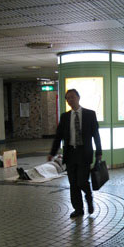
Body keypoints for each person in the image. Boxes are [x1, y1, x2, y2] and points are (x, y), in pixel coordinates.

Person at [48, 89, 102, 218]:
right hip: (70, 152)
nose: (70, 100)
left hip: (84, 152)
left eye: (72, 97)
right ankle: (78, 209)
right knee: (73, 183)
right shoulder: (65, 117)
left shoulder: (90, 114)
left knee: (82, 181)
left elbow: (96, 135)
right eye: (68, 98)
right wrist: (52, 152)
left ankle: (88, 197)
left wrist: (99, 152)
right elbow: (58, 136)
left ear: (78, 97)